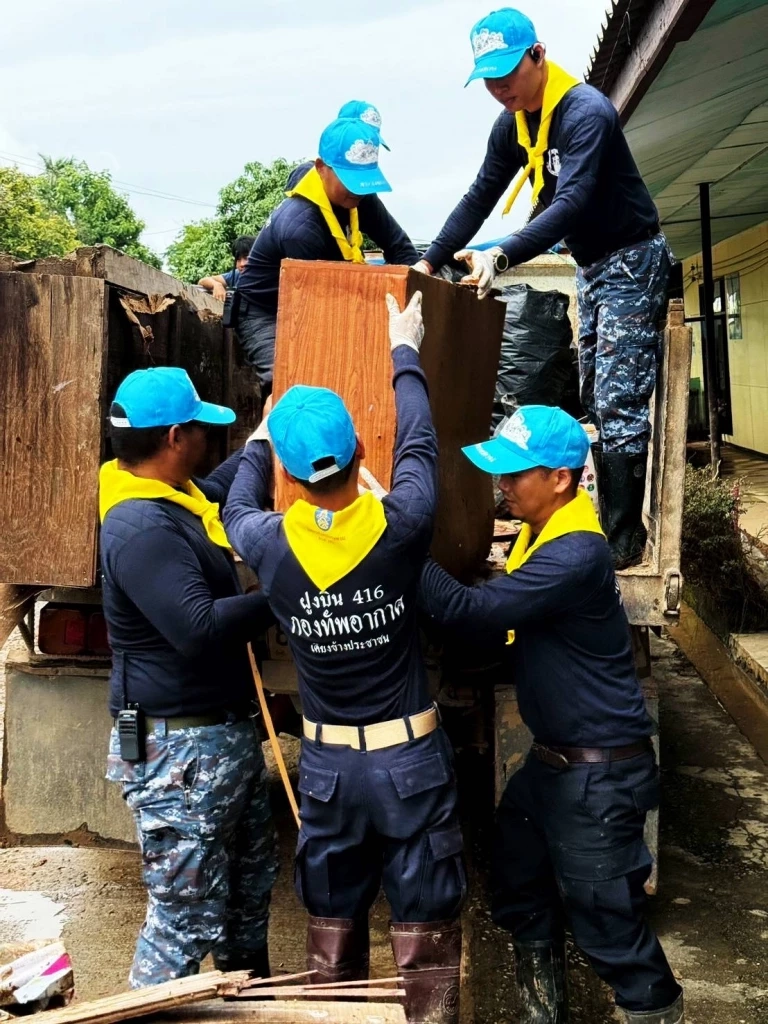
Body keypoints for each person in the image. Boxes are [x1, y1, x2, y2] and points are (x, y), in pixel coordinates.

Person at [223, 294, 465, 1024]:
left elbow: (237, 502)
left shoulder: (267, 542)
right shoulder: (403, 524)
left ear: (291, 479)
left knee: (332, 924)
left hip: (328, 774)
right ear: (362, 452)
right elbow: (420, 442)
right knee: (425, 926)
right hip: (411, 765)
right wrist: (404, 348)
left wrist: (262, 435)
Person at [418, 405, 683, 1024]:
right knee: (519, 876)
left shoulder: (576, 555)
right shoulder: (544, 538)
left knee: (606, 925)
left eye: (515, 474)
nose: (502, 485)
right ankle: (544, 1010)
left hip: (599, 775)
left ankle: (657, 1009)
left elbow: (470, 611)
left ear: (561, 478)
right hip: (556, 764)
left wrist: (396, 541)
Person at [414, 8, 672, 569]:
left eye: (507, 72)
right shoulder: (512, 125)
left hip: (631, 256)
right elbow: (479, 196)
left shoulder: (585, 112)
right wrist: (429, 263)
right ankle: (608, 524)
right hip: (591, 262)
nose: (499, 87)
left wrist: (501, 253)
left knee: (617, 398)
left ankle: (624, 543)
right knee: (594, 394)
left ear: (539, 54)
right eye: (488, 78)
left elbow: (570, 202)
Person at [100, 366, 278, 988]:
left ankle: (245, 1003)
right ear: (175, 436)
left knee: (244, 901)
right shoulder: (142, 528)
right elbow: (198, 627)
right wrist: (294, 584)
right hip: (181, 754)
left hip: (215, 743)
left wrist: (264, 437)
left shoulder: (169, 497)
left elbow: (219, 488)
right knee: (183, 919)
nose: (211, 441)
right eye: (204, 430)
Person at [234, 116, 418, 399]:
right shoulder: (300, 226)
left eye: (363, 181)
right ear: (321, 168)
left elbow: (400, 247)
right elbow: (321, 312)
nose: (357, 190)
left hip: (319, 294)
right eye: (349, 181)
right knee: (289, 388)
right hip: (265, 310)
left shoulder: (359, 196)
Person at [198, 235, 257, 302]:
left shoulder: (268, 275)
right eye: (238, 259)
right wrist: (216, 285)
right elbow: (202, 281)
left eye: (246, 258)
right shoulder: (236, 275)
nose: (242, 264)